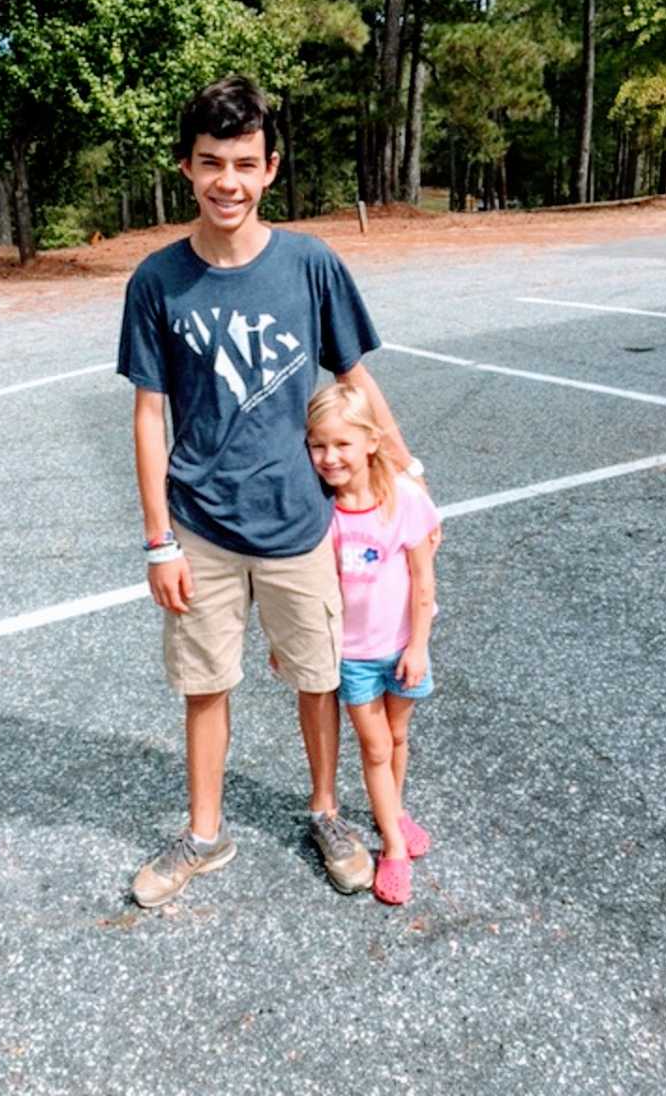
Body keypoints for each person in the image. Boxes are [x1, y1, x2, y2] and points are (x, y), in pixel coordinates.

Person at [117, 75, 427, 908]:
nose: (229, 181)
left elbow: (355, 381)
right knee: (205, 683)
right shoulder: (157, 282)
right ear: (186, 168)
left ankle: (325, 811)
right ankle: (204, 834)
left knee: (318, 679)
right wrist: (158, 540)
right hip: (204, 528)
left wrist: (410, 482)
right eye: (212, 162)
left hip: (300, 524)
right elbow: (151, 415)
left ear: (271, 168)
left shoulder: (309, 264)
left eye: (245, 163)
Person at [305, 382, 440, 905]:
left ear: (370, 442)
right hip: (355, 657)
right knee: (376, 745)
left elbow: (424, 581)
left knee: (398, 738)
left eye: (341, 444)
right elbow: (310, 586)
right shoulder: (321, 512)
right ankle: (393, 847)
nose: (330, 457)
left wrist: (418, 647)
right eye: (318, 445)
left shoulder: (402, 502)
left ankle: (396, 812)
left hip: (404, 647)